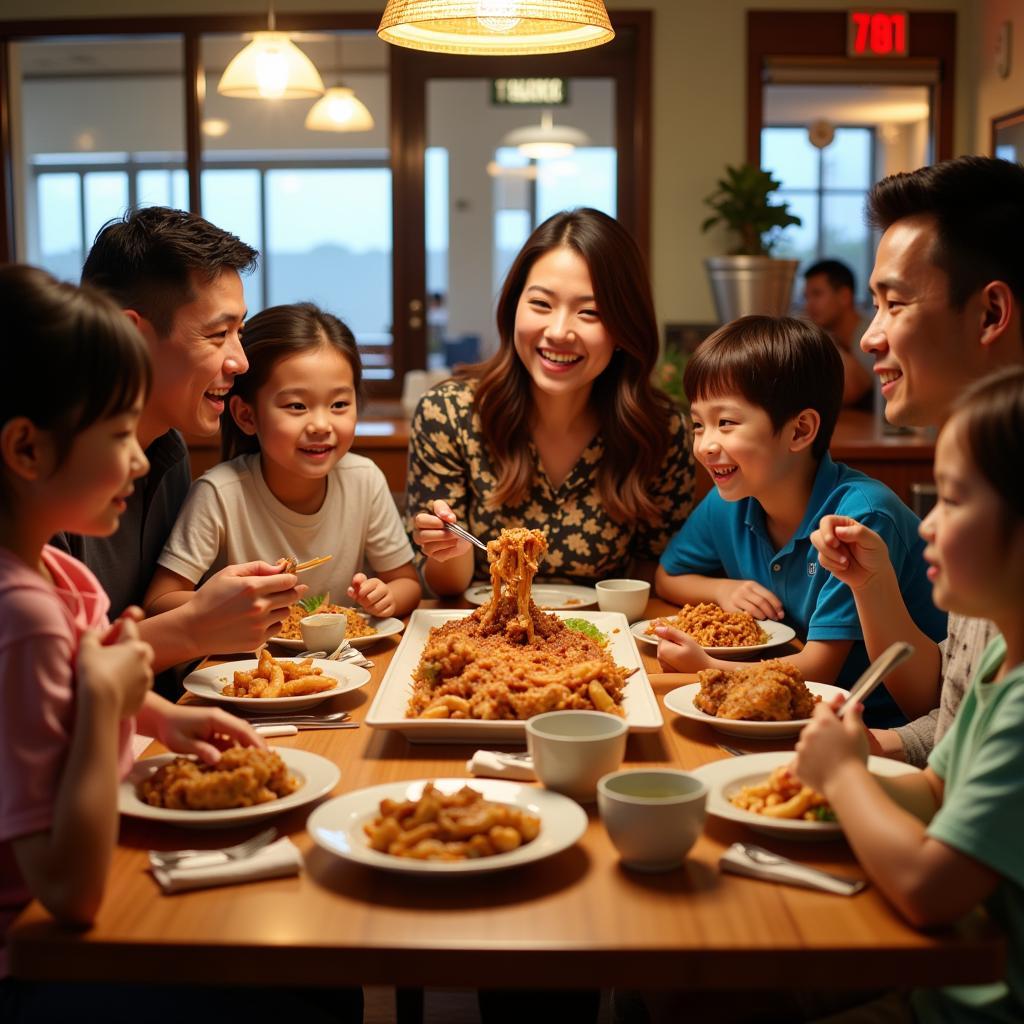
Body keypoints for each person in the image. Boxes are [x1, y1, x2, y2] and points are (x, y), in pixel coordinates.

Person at [0, 266, 272, 1017]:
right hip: (46, 949)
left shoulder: (59, 572)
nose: (142, 458)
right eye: (118, 435)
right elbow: (66, 892)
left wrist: (163, 719)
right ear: (26, 451)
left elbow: (89, 687)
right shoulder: (20, 615)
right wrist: (105, 707)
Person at [793, 366, 1024, 1024]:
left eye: (951, 501)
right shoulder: (1002, 656)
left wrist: (843, 778)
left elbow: (930, 891)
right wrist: (844, 763)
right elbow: (936, 793)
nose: (924, 525)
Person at [810, 155, 1024, 764]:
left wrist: (850, 772)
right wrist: (873, 586)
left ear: (989, 314)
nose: (869, 337)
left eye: (894, 303)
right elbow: (954, 721)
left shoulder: (1003, 519)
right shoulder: (986, 476)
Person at [52, 207, 305, 687]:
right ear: (131, 334)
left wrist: (217, 612)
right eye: (217, 334)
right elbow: (41, 683)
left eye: (240, 332)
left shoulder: (168, 451)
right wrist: (192, 628)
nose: (242, 361)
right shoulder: (41, 471)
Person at [654, 315, 946, 728]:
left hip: (882, 723)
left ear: (800, 430)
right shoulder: (731, 498)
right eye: (698, 424)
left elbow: (819, 669)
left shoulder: (857, 517)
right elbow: (668, 575)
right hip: (795, 713)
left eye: (726, 423)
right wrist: (722, 588)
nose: (705, 445)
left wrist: (707, 664)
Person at [409, 208, 694, 595]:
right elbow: (443, 586)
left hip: (602, 638)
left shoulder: (661, 430)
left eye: (590, 312)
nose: (559, 331)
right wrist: (450, 549)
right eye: (541, 304)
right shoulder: (449, 414)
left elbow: (654, 571)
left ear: (625, 326)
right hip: (481, 634)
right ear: (513, 308)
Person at [145, 303, 420, 621]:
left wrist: (386, 597)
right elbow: (159, 601)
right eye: (297, 406)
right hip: (243, 663)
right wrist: (224, 603)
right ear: (247, 416)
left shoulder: (363, 479)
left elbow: (407, 583)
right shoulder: (220, 493)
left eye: (339, 404)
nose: (320, 424)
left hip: (344, 661)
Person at [802, 258, 875, 407]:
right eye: (806, 297)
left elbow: (849, 392)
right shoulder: (833, 337)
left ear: (844, 296)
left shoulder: (871, 337)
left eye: (817, 294)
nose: (809, 305)